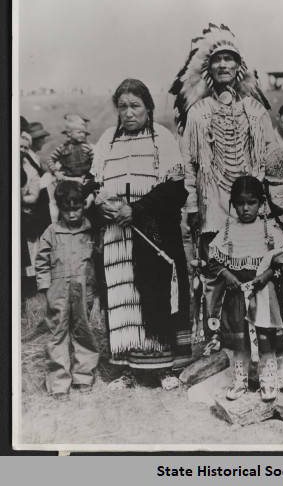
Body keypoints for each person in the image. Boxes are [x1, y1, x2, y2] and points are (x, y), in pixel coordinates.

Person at [91, 78, 191, 390]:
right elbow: (92, 185)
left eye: (135, 106)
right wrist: (100, 207)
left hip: (153, 234)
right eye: (122, 107)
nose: (129, 113)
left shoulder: (162, 138)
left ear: (148, 107)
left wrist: (137, 210)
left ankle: (163, 369)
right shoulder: (107, 140)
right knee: (124, 298)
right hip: (115, 239)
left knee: (154, 295)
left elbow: (175, 189)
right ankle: (128, 369)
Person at [171, 23, 275, 256]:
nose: (223, 64)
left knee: (252, 265)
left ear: (239, 65)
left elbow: (272, 153)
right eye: (217, 59)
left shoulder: (256, 111)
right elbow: (187, 161)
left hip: (250, 204)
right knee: (215, 272)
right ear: (208, 67)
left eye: (229, 58)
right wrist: (192, 206)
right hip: (212, 205)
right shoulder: (198, 112)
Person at [203, 176, 283, 401]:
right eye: (240, 203)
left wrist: (266, 276)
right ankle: (239, 381)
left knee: (265, 337)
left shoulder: (269, 231)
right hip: (237, 293)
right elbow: (213, 259)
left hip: (263, 293)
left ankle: (268, 381)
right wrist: (227, 275)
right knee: (239, 340)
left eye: (251, 202)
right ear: (233, 204)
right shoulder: (228, 231)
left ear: (261, 203)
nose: (245, 208)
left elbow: (282, 261)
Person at [35, 181, 99, 400]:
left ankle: (83, 376)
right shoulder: (51, 232)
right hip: (58, 290)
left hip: (83, 289)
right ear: (59, 208)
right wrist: (45, 287)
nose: (72, 214)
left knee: (84, 332)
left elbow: (96, 261)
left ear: (84, 205)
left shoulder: (91, 230)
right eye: (67, 209)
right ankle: (59, 382)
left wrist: (95, 287)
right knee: (57, 333)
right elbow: (41, 261)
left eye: (77, 208)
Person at [20, 119, 52, 293]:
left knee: (37, 244)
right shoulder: (27, 159)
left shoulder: (34, 158)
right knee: (31, 245)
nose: (43, 141)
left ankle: (36, 281)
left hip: (39, 206)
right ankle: (31, 284)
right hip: (34, 209)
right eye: (40, 138)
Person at [47, 113, 94, 183]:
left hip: (84, 179)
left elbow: (95, 161)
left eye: (84, 133)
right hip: (67, 179)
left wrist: (90, 173)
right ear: (69, 133)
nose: (83, 135)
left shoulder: (87, 147)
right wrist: (56, 172)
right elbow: (50, 160)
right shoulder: (62, 148)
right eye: (79, 132)